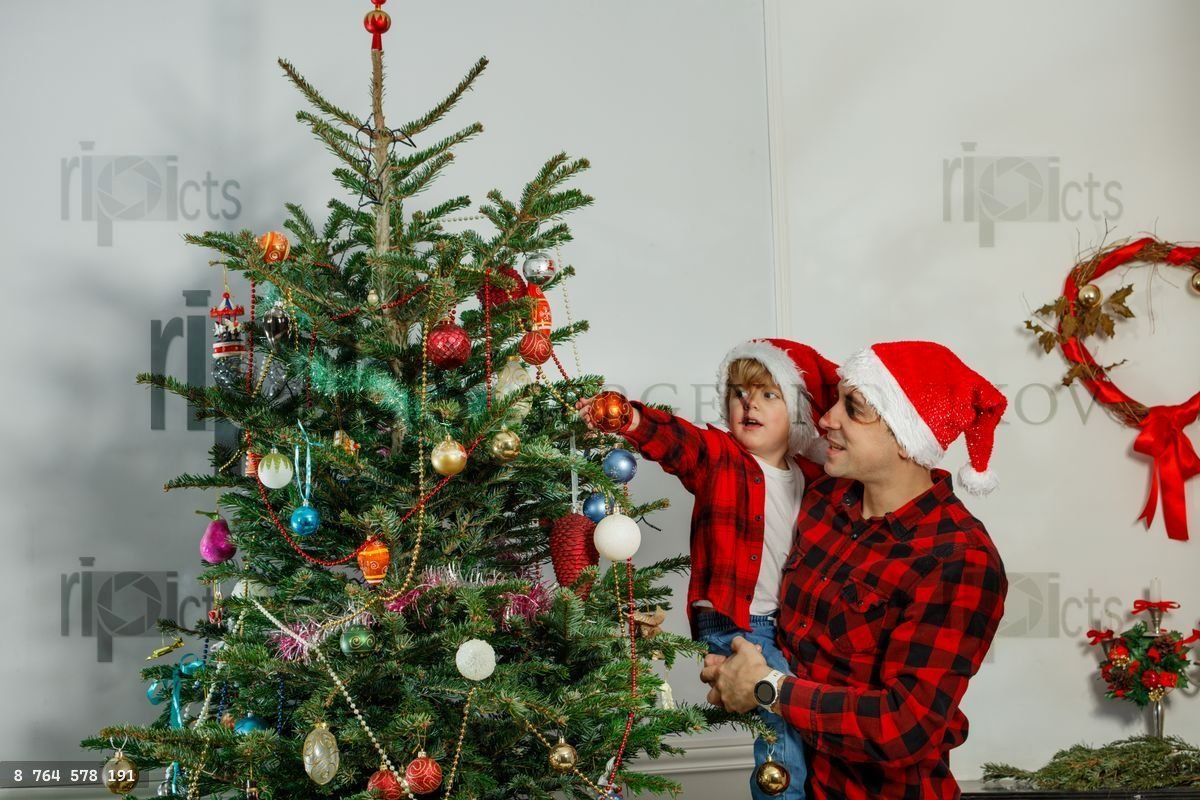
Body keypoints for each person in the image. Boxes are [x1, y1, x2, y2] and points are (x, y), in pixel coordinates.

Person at [700, 340, 1009, 799]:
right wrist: (733, 662)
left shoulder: (958, 558)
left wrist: (766, 688)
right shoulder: (822, 500)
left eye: (854, 408)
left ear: (906, 434)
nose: (827, 418)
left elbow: (904, 724)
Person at [577, 339, 839, 800]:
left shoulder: (811, 479)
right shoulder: (720, 457)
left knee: (809, 714)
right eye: (739, 393)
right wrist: (630, 418)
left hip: (787, 625)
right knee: (779, 709)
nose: (749, 404)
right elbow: (680, 441)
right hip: (736, 621)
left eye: (768, 394)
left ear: (798, 413)